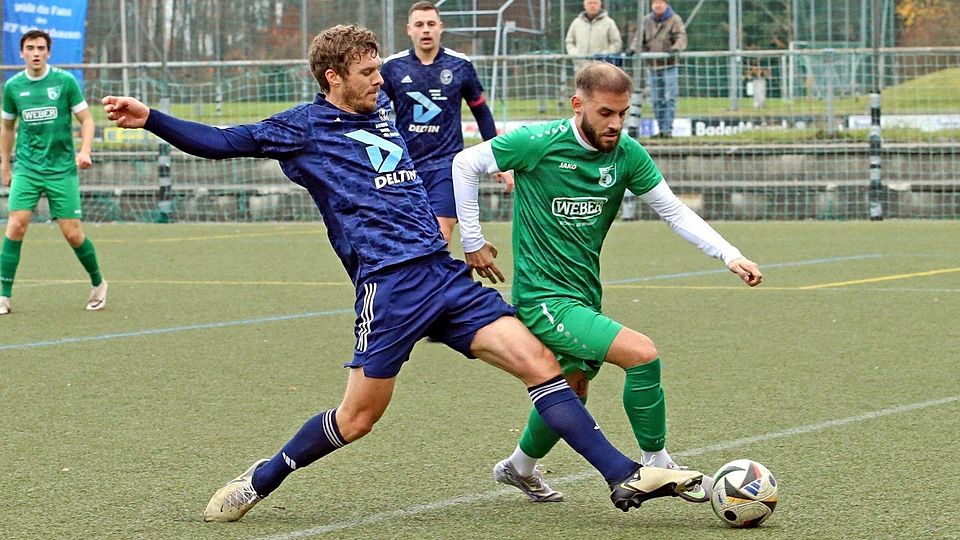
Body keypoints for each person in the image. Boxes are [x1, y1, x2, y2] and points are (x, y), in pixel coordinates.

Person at [102, 25, 704, 523]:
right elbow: (220, 141)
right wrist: (150, 116)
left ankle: (624, 476)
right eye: (367, 73)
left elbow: (450, 125)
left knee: (542, 365)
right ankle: (261, 478)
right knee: (357, 419)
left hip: (442, 276)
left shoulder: (385, 103)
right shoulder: (302, 129)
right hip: (387, 288)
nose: (379, 80)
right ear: (333, 78)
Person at [451, 62, 762, 503]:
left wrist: (730, 254)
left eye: (623, 113)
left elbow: (672, 209)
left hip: (583, 295)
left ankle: (519, 468)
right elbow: (465, 163)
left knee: (571, 385)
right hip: (543, 298)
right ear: (578, 105)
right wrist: (474, 242)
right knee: (642, 355)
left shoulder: (627, 154)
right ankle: (657, 463)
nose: (615, 123)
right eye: (604, 113)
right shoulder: (538, 143)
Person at [381, 1, 510, 244]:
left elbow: (481, 112)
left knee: (439, 236)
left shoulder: (459, 65)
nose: (426, 30)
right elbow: (372, 111)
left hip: (447, 166)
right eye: (419, 25)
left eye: (431, 24)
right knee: (408, 239)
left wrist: (499, 158)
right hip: (405, 166)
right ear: (409, 29)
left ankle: (436, 281)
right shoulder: (392, 68)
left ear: (441, 27)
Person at [0, 29, 107, 315]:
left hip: (61, 169)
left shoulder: (64, 82)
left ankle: (98, 283)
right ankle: (3, 295)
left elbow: (86, 120)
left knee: (72, 234)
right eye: (30, 48)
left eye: (41, 48)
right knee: (16, 225)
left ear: (49, 52)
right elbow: (7, 128)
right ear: (21, 52)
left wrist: (84, 151)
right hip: (27, 167)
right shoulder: (13, 87)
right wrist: (5, 165)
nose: (36, 52)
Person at [639, 0, 686, 138]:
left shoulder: (674, 19)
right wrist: (633, 49)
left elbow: (681, 36)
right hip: (652, 65)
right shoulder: (646, 20)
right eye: (655, 3)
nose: (658, 5)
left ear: (666, 4)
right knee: (656, 99)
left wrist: (676, 48)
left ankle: (667, 129)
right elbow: (639, 38)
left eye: (661, 2)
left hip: (670, 64)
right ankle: (661, 128)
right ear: (651, 5)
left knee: (669, 98)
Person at [565, 0, 623, 72]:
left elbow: (616, 43)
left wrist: (603, 56)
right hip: (580, 68)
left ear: (600, 5)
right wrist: (575, 54)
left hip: (602, 69)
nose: (592, 5)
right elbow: (569, 41)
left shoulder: (609, 23)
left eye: (595, 3)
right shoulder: (576, 23)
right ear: (584, 5)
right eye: (589, 3)